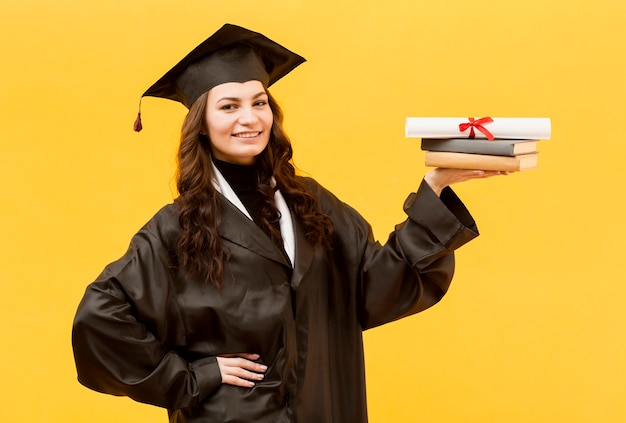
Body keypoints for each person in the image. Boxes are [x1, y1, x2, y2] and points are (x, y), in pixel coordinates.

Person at [72, 23, 505, 423]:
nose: (250, 118)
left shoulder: (310, 203)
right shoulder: (178, 228)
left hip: (322, 407)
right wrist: (194, 377)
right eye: (229, 106)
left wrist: (434, 189)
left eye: (259, 102)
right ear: (201, 124)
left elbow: (378, 288)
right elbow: (100, 319)